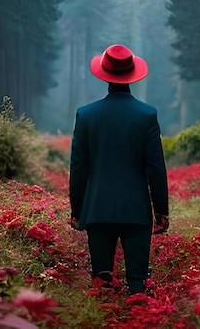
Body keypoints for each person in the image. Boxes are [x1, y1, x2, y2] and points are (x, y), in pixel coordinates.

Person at [69, 43, 169, 295]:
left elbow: (79, 166)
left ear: (105, 75)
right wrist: (161, 211)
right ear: (131, 74)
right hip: (136, 210)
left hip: (97, 209)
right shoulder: (147, 115)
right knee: (138, 283)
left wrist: (77, 210)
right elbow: (155, 167)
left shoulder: (86, 115)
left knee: (101, 282)